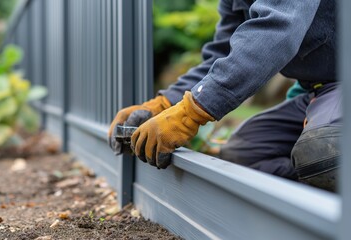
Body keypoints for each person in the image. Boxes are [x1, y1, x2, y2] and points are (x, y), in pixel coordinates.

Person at [108, 0, 339, 191]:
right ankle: (316, 182)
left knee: (322, 151)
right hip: (321, 89)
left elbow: (276, 30)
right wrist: (164, 104)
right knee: (242, 157)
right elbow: (224, 53)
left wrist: (190, 114)